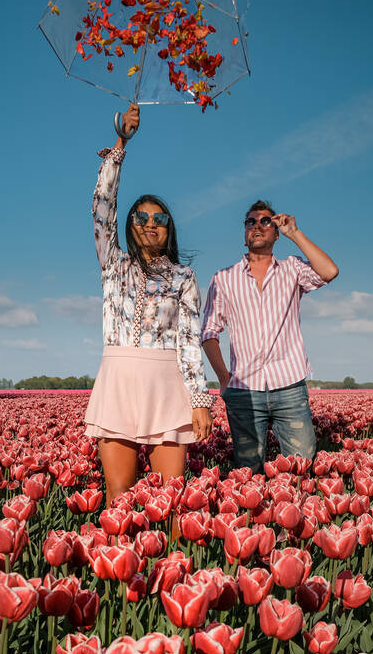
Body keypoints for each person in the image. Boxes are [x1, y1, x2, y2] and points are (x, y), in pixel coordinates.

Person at [84, 103, 214, 506]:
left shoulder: (183, 278)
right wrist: (121, 143)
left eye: (159, 218)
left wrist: (199, 399)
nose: (150, 222)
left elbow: (190, 343)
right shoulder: (113, 265)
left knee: (171, 501)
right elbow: (102, 208)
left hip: (166, 385)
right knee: (118, 497)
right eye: (141, 217)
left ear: (169, 228)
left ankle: (172, 568)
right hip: (118, 378)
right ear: (129, 226)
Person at [201, 201, 338, 472]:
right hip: (244, 389)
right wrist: (223, 377)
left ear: (276, 233)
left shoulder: (292, 269)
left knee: (301, 467)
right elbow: (208, 332)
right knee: (247, 471)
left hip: (288, 386)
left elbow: (329, 272)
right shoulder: (224, 279)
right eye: (250, 222)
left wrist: (295, 233)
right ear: (244, 235)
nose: (257, 226)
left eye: (266, 221)